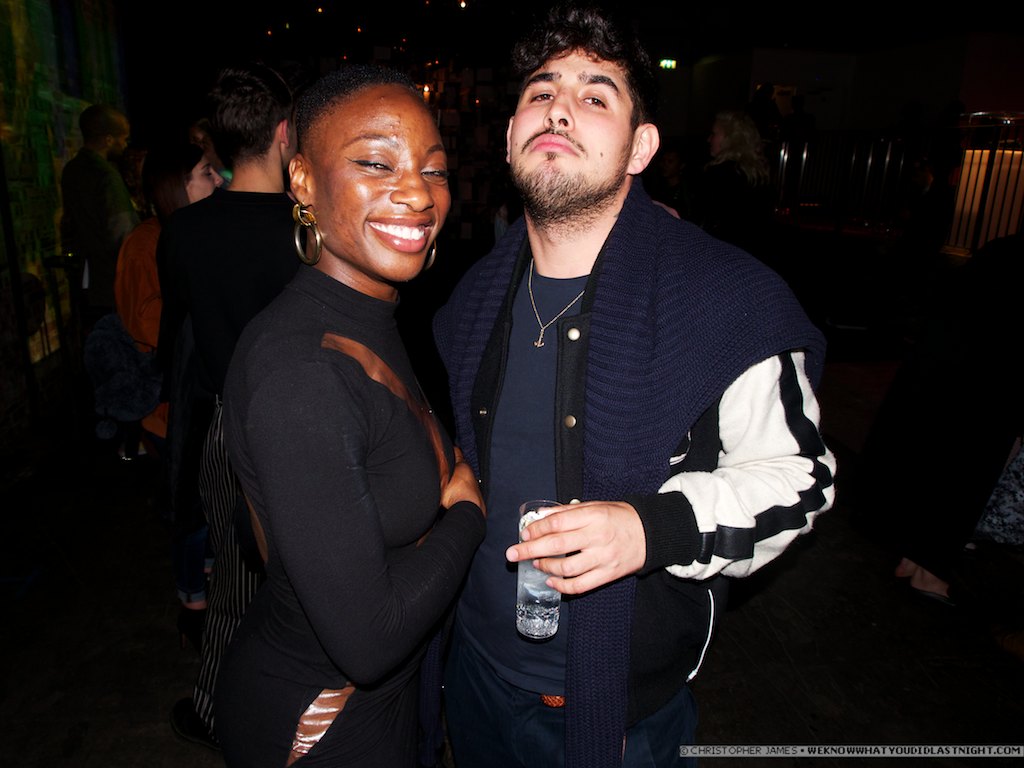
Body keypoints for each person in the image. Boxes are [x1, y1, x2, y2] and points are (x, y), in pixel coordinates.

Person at [432, 4, 837, 767]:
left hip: (617, 712)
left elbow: (802, 478)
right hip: (475, 674)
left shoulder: (724, 298)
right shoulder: (470, 300)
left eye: (595, 95)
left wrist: (651, 530)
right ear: (511, 133)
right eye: (541, 91)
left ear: (641, 146)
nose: (559, 108)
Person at [214, 63, 486, 768]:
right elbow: (369, 640)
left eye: (434, 169)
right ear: (302, 180)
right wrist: (467, 513)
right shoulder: (300, 371)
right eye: (375, 162)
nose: (417, 193)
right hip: (322, 724)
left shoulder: (368, 314)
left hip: (384, 707)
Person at [159, 61, 300, 748]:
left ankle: (216, 709)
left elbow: (177, 338)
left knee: (237, 580)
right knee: (319, 574)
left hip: (229, 422)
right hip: (310, 421)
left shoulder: (184, 232)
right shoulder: (312, 228)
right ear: (284, 132)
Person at [60, 103, 140, 325]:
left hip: (85, 277)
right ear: (108, 139)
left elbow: (68, 224)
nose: (125, 145)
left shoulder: (71, 170)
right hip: (110, 281)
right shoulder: (106, 176)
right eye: (123, 139)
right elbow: (122, 231)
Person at [696, 109, 774, 256]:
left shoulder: (719, 175)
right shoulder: (758, 175)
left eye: (714, 134)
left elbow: (710, 224)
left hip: (722, 256)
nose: (709, 139)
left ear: (730, 139)